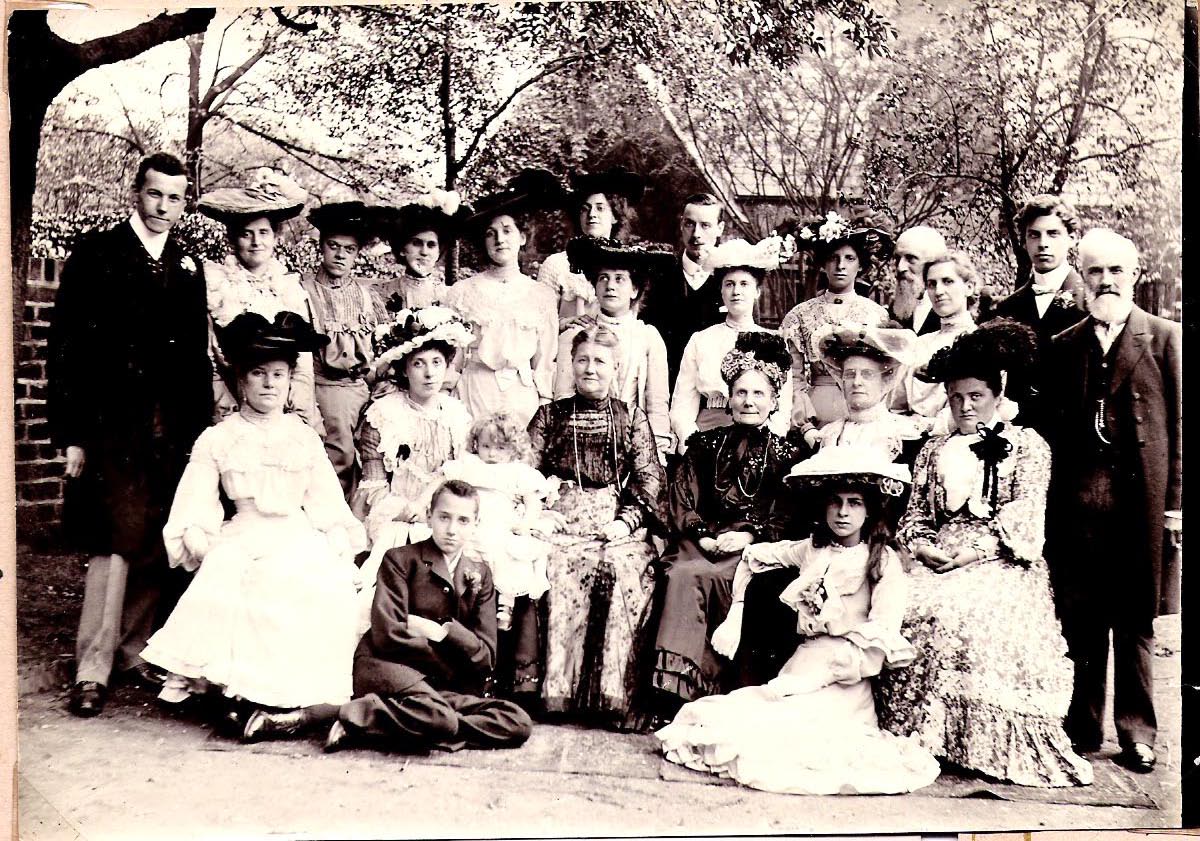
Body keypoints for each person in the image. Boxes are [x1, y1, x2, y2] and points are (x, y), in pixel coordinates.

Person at [875, 320, 1093, 788]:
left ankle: (974, 742)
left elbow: (1025, 518)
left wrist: (972, 553)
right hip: (938, 559)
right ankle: (917, 735)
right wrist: (922, 546)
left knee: (962, 613)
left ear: (998, 393)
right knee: (902, 606)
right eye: (955, 398)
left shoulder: (1027, 445)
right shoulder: (934, 449)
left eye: (975, 396)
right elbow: (914, 517)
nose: (965, 406)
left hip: (1001, 561)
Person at [656, 446, 940, 795]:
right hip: (804, 661)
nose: (843, 512)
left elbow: (881, 637)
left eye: (854, 503)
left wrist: (832, 669)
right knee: (731, 718)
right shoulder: (813, 548)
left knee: (797, 737)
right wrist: (738, 608)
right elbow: (753, 557)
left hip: (843, 678)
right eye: (835, 502)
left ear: (869, 511)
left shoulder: (881, 561)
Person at [47, 152, 213, 717]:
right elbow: (65, 348)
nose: (163, 207)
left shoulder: (189, 265)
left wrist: (198, 434)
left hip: (171, 430)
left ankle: (132, 651)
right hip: (110, 425)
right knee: (112, 540)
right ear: (135, 193)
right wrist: (71, 433)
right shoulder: (98, 255)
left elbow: (194, 360)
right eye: (154, 194)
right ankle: (90, 669)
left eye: (174, 196)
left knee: (155, 540)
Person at [140, 312, 365, 728]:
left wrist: (337, 539)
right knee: (234, 572)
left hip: (296, 532)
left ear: (289, 382)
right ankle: (236, 689)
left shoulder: (302, 436)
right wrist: (198, 534)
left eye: (278, 375)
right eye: (258, 374)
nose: (268, 384)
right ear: (240, 381)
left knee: (318, 581)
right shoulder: (219, 438)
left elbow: (325, 501)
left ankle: (293, 694)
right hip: (244, 530)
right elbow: (195, 500)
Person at [243, 480, 534, 753]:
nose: (452, 530)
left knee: (517, 721)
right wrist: (452, 655)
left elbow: (486, 657)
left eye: (463, 521)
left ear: (475, 525)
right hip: (387, 668)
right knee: (440, 717)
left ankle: (370, 721)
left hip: (437, 688)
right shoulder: (401, 560)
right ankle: (395, 719)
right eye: (444, 517)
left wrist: (440, 631)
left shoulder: (480, 574)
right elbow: (389, 634)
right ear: (429, 517)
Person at [1044, 229, 1182, 775]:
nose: (1105, 281)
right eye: (1095, 271)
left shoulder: (1167, 339)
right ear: (1084, 277)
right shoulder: (1064, 346)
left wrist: (1176, 503)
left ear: (1134, 274)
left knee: (1135, 619)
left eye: (1116, 271)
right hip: (1079, 507)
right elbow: (1051, 432)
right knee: (1080, 618)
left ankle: (1137, 732)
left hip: (1139, 506)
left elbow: (1181, 426)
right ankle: (1083, 725)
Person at [647, 332, 803, 717]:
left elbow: (785, 512)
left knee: (729, 578)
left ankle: (718, 693)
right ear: (729, 398)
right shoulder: (705, 444)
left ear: (773, 401)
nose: (749, 401)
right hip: (698, 541)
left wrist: (748, 533)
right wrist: (703, 534)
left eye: (758, 394)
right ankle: (673, 695)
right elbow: (682, 498)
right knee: (685, 574)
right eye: (741, 393)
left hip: (751, 548)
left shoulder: (787, 455)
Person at [528, 326, 668, 723]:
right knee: (555, 565)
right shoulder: (549, 416)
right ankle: (557, 693)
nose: (591, 369)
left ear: (616, 367)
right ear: (571, 365)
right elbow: (524, 470)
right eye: (583, 360)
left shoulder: (631, 418)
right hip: (560, 517)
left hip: (615, 519)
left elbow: (650, 478)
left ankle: (610, 696)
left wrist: (628, 521)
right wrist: (538, 511)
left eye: (600, 361)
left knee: (625, 568)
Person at [438, 412, 559, 697]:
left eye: (500, 448)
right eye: (486, 446)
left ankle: (504, 607)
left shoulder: (517, 472)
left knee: (505, 556)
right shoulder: (469, 467)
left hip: (501, 524)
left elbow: (532, 503)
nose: (492, 455)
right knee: (470, 555)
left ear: (514, 449)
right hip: (472, 524)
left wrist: (526, 523)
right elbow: (448, 489)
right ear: (476, 444)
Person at [197, 167, 321, 432]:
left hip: (285, 408)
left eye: (263, 233)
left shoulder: (290, 289)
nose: (256, 242)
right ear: (232, 240)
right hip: (233, 407)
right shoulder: (216, 286)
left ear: (276, 237)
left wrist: (297, 412)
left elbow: (303, 362)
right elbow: (210, 360)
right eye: (246, 233)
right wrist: (228, 411)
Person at [352, 306, 475, 568]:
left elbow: (463, 473)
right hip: (398, 513)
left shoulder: (456, 413)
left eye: (436, 363)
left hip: (449, 513)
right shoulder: (384, 414)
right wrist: (409, 510)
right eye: (418, 364)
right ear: (405, 370)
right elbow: (374, 484)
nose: (429, 373)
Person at [446, 169, 563, 426]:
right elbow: (453, 358)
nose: (500, 239)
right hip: (474, 392)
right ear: (483, 242)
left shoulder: (541, 295)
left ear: (522, 237)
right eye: (490, 233)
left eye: (507, 231)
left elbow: (543, 362)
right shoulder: (461, 293)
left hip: (522, 397)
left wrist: (544, 409)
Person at [553, 236, 675, 458]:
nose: (610, 285)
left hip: (633, 443)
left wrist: (655, 454)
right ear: (595, 287)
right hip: (582, 441)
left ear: (634, 290)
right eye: (603, 278)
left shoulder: (647, 337)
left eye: (620, 279)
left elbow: (657, 403)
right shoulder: (575, 335)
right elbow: (563, 397)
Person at [669, 237, 793, 453]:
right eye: (729, 284)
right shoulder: (702, 339)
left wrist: (768, 444)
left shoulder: (774, 343)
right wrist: (693, 444)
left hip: (760, 437)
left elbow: (783, 406)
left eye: (744, 284)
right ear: (721, 292)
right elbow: (683, 403)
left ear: (757, 292)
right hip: (708, 433)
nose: (736, 291)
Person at [300, 198, 384, 497]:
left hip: (362, 389)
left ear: (357, 254)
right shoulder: (303, 290)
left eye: (349, 250)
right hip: (322, 388)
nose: (340, 255)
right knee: (337, 458)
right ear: (321, 247)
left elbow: (381, 346)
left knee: (370, 458)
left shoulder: (366, 295)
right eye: (334, 246)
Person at [779, 210, 892, 428]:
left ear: (860, 265)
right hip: (816, 408)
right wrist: (804, 421)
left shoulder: (876, 314)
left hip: (864, 406)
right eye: (833, 258)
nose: (841, 266)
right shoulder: (799, 315)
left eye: (849, 259)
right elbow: (794, 377)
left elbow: (884, 372)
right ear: (823, 263)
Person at [988, 194, 1088, 434]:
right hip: (1019, 433)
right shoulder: (1008, 308)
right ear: (1024, 241)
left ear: (1072, 238)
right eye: (1034, 234)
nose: (1043, 243)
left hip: (1073, 433)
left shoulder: (1089, 303)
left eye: (1053, 234)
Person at [638, 193, 728, 385]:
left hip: (714, 395)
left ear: (720, 229)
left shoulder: (730, 281)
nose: (696, 234)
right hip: (664, 386)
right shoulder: (657, 276)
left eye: (705, 225)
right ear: (681, 225)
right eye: (690, 224)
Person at [538, 166, 646, 322]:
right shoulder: (556, 265)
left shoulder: (627, 263)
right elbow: (540, 321)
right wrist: (563, 324)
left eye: (600, 208)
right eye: (585, 209)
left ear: (615, 216)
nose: (592, 215)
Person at [893, 251, 979, 421]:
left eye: (948, 282)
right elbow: (897, 405)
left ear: (968, 287)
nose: (938, 291)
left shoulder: (983, 343)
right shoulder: (919, 344)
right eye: (932, 284)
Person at [371, 189, 470, 311]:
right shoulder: (380, 293)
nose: (424, 252)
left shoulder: (449, 297)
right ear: (402, 248)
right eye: (417, 243)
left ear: (438, 252)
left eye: (431, 245)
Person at [888, 226, 947, 335]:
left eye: (910, 259)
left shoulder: (949, 312)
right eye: (897, 258)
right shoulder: (895, 308)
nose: (900, 267)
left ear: (932, 264)